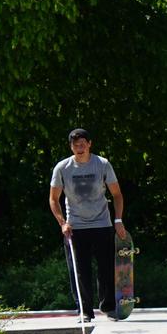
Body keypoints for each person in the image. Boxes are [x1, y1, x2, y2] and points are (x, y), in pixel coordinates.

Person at [48, 128, 127, 321]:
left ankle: (108, 307)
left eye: (83, 144)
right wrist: (62, 223)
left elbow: (117, 194)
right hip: (75, 226)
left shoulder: (102, 164)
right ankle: (85, 311)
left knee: (106, 268)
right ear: (71, 147)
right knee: (80, 270)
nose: (79, 148)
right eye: (75, 145)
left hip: (101, 223)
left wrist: (118, 220)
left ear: (89, 144)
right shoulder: (62, 168)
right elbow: (53, 199)